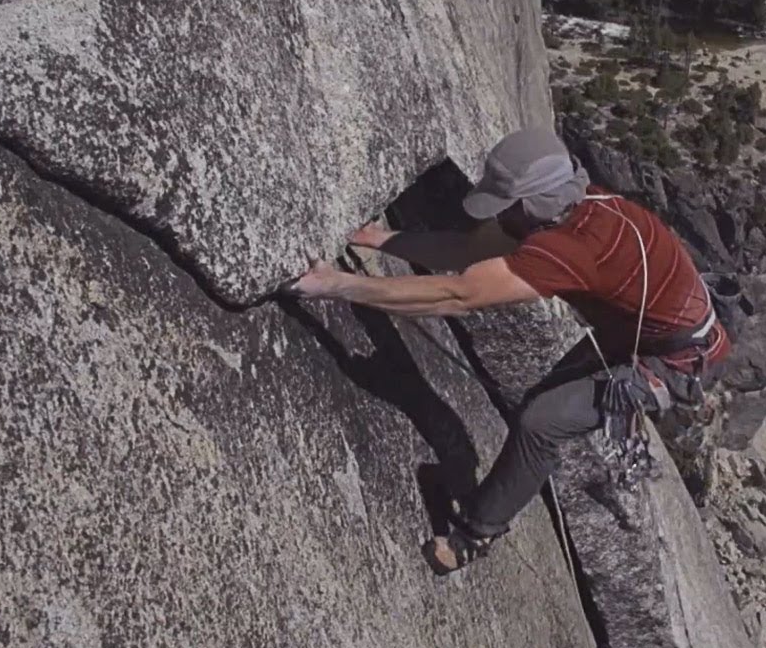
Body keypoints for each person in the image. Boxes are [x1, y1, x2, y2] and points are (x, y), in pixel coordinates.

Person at [287, 128, 729, 573]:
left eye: (506, 207)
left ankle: (473, 536)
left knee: (541, 421)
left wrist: (336, 285)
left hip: (673, 360)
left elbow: (457, 295)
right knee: (539, 404)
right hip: (643, 331)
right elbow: (467, 251)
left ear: (532, 205)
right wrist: (379, 239)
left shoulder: (569, 249)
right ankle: (495, 496)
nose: (500, 217)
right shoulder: (580, 205)